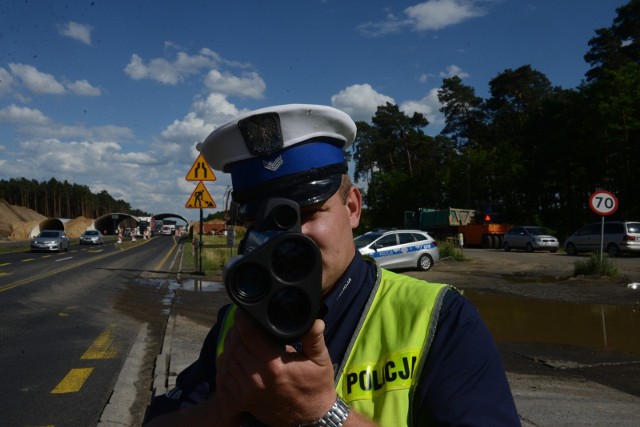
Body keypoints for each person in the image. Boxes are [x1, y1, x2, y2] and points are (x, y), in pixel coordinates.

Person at [143, 104, 520, 426]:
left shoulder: (441, 319)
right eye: (262, 223)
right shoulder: (234, 325)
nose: (287, 241)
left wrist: (324, 412)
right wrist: (222, 410)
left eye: (307, 212)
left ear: (353, 207)